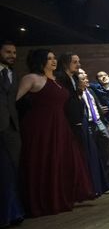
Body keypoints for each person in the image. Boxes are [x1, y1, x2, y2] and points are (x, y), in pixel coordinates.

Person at [16, 50, 93, 216]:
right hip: (40, 127)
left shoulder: (57, 80)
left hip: (60, 125)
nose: (53, 61)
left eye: (54, 58)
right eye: (49, 59)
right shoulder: (31, 78)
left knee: (63, 161)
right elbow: (13, 100)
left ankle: (59, 198)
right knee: (44, 161)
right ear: (40, 61)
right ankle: (43, 201)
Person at [0, 41, 24, 227]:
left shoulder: (13, 74)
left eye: (14, 52)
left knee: (13, 171)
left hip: (12, 128)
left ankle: (13, 213)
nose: (12, 55)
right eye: (8, 52)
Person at [77, 69, 109, 196]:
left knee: (105, 151)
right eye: (83, 79)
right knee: (92, 153)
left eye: (87, 78)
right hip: (89, 124)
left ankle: (107, 182)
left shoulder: (90, 91)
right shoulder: (78, 93)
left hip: (98, 122)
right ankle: (95, 184)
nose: (87, 81)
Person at [54, 52, 84, 145]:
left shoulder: (75, 78)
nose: (79, 65)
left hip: (76, 120)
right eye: (75, 62)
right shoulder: (59, 78)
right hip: (65, 121)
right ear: (65, 64)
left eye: (78, 62)